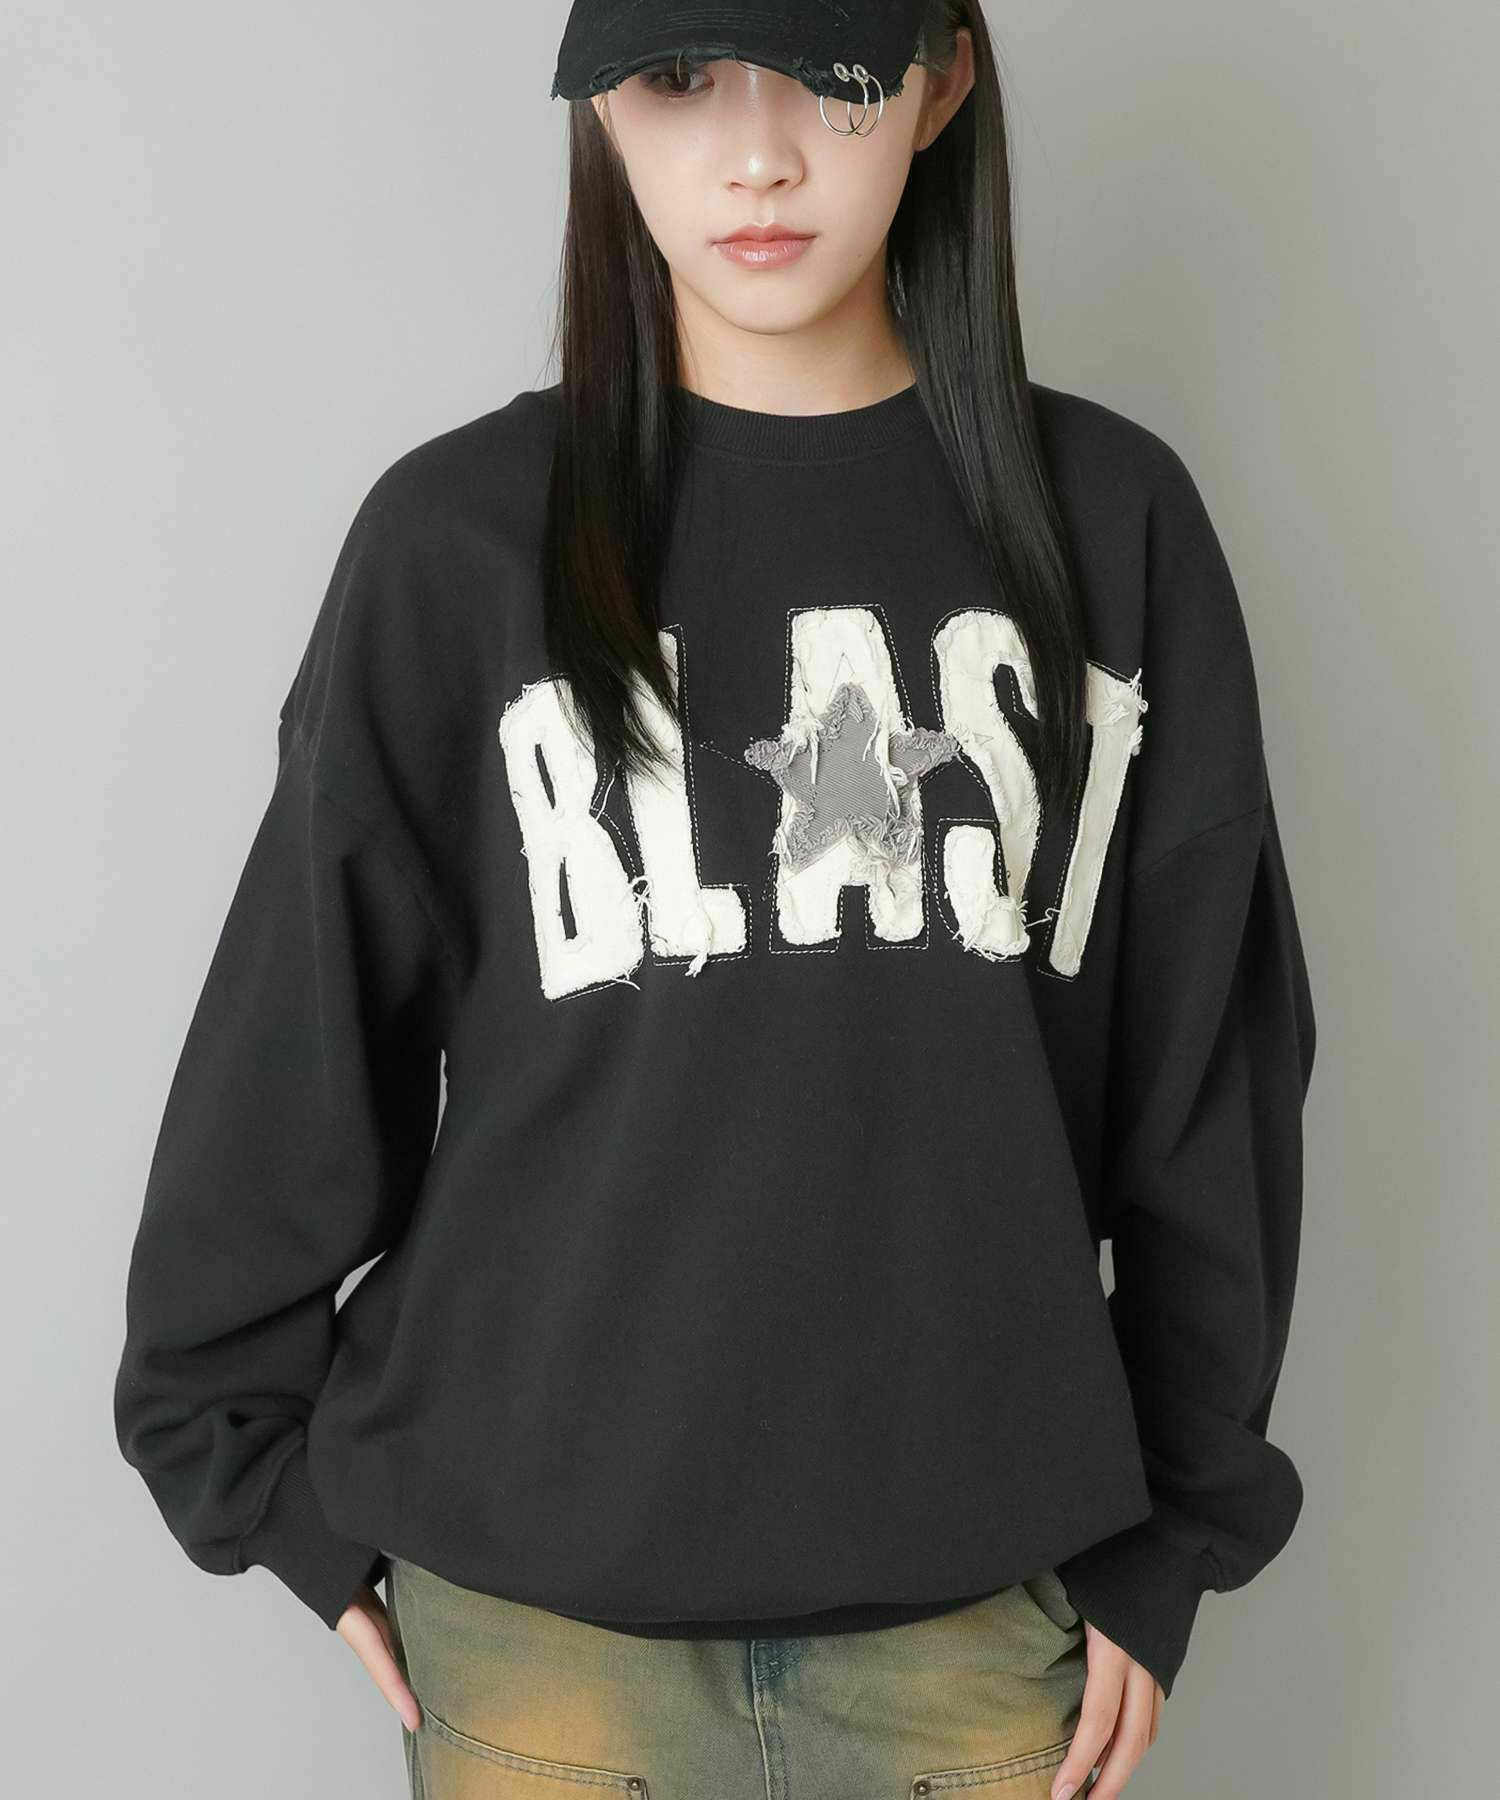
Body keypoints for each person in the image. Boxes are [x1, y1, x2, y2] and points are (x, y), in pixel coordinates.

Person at [112, 2, 1317, 1796]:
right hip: (538, 1640)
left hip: (978, 1633)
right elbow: (294, 1039)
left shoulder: (1113, 526)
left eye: (833, 72)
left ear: (943, 79)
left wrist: (1178, 1532)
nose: (758, 156)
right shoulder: (457, 544)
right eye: (681, 80)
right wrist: (250, 1467)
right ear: (605, 108)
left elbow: (1209, 1081)